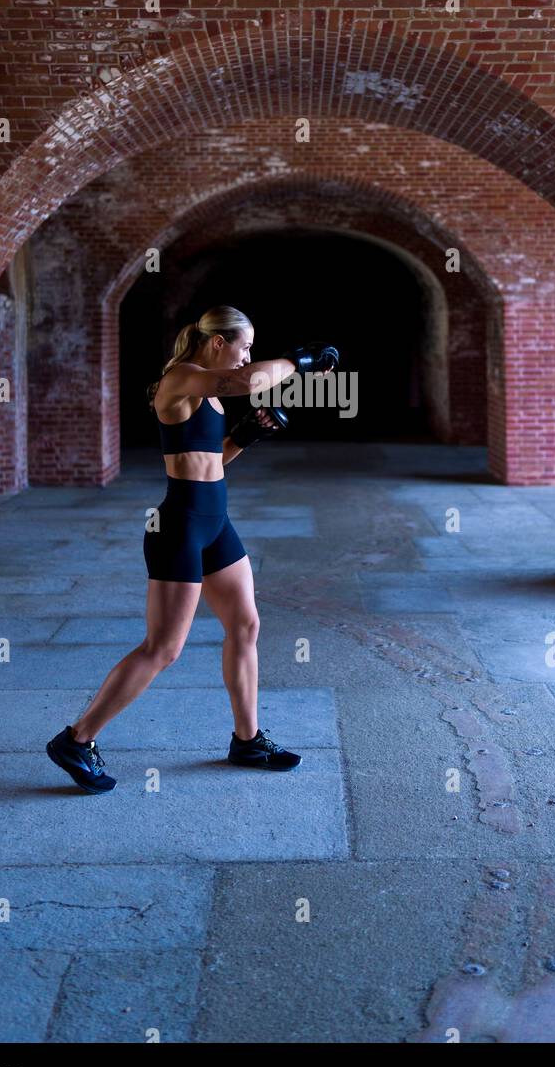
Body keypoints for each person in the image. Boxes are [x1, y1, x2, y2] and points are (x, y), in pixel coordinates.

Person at [46, 304, 339, 794]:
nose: (248, 357)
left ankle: (247, 740)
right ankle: (77, 738)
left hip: (215, 523)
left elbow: (209, 461)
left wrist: (245, 436)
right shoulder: (182, 377)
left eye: (253, 351)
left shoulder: (213, 397)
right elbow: (249, 382)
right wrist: (297, 362)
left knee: (246, 625)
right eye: (245, 347)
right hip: (178, 526)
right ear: (218, 343)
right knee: (164, 649)